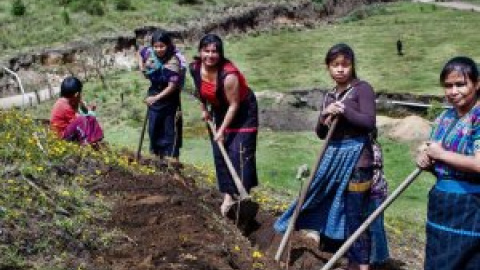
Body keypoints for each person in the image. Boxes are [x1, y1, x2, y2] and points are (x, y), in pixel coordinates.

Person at [274, 43, 387, 270]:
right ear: (328, 68)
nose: (340, 70)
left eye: (345, 65)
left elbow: (368, 123)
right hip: (332, 157)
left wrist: (345, 110)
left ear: (352, 66)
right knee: (320, 199)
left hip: (358, 160)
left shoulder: (362, 89)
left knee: (355, 213)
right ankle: (323, 243)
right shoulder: (329, 95)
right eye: (335, 65)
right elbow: (321, 133)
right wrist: (325, 113)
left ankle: (360, 264)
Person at [416, 56, 480, 270]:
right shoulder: (445, 117)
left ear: (477, 83)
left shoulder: (478, 117)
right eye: (448, 86)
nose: (453, 91)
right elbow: (439, 162)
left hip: (470, 208)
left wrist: (440, 154)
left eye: (460, 84)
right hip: (441, 208)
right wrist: (426, 159)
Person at [189, 33, 259, 217]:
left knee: (240, 152)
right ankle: (228, 195)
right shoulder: (195, 68)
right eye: (206, 51)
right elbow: (199, 90)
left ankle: (242, 195)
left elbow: (234, 104)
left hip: (243, 112)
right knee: (221, 152)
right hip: (220, 109)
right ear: (200, 51)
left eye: (215, 51)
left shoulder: (229, 75)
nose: (210, 55)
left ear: (220, 54)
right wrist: (204, 108)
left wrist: (221, 130)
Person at [140, 30, 185, 160]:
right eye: (156, 46)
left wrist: (155, 98)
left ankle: (171, 159)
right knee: (154, 127)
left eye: (162, 46)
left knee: (169, 130)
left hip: (170, 99)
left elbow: (172, 87)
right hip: (154, 92)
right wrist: (142, 67)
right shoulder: (149, 53)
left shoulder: (173, 61)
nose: (159, 49)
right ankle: (156, 157)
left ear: (168, 45)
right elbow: (139, 52)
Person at [50, 76, 103, 146]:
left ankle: (97, 139)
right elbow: (78, 121)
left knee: (90, 118)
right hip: (61, 137)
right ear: (77, 94)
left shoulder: (65, 102)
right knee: (81, 119)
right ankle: (87, 143)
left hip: (67, 132)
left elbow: (84, 113)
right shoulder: (64, 106)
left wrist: (80, 104)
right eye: (80, 94)